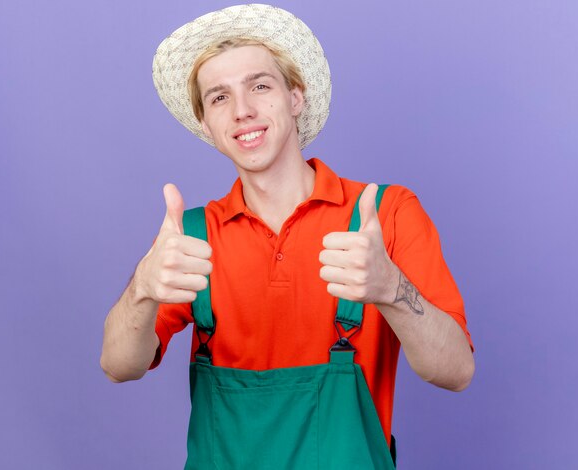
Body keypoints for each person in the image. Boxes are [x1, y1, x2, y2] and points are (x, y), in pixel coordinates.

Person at [100, 4, 474, 469]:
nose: (242, 111)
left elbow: (456, 371)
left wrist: (391, 289)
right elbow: (119, 365)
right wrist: (141, 289)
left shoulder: (385, 215)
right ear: (205, 124)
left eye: (259, 85)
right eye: (218, 97)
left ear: (296, 97)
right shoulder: (191, 238)